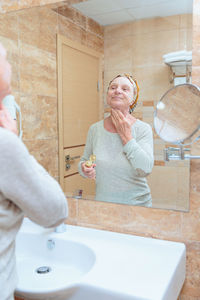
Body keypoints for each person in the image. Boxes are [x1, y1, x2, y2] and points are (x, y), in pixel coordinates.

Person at [0, 43, 68, 300]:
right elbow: (55, 212)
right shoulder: (4, 144)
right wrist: (14, 142)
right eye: (6, 61)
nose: (10, 67)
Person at [78, 74, 154, 207]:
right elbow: (84, 161)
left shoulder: (143, 129)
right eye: (113, 87)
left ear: (132, 99)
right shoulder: (95, 129)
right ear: (108, 95)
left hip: (137, 206)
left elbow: (145, 169)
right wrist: (84, 169)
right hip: (103, 205)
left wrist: (126, 137)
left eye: (125, 89)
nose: (117, 90)